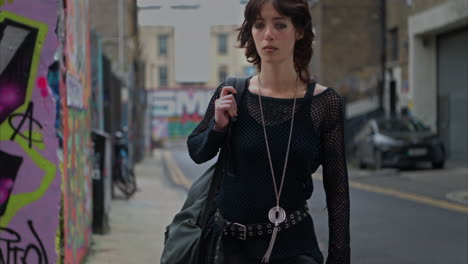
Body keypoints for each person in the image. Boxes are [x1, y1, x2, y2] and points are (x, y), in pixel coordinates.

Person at [187, 0, 350, 263]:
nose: (268, 34)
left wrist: (340, 257)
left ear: (299, 31)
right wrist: (217, 127)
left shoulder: (323, 103)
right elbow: (197, 151)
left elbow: (337, 189)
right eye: (259, 25)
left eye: (280, 24)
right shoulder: (233, 93)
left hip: (293, 248)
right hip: (229, 249)